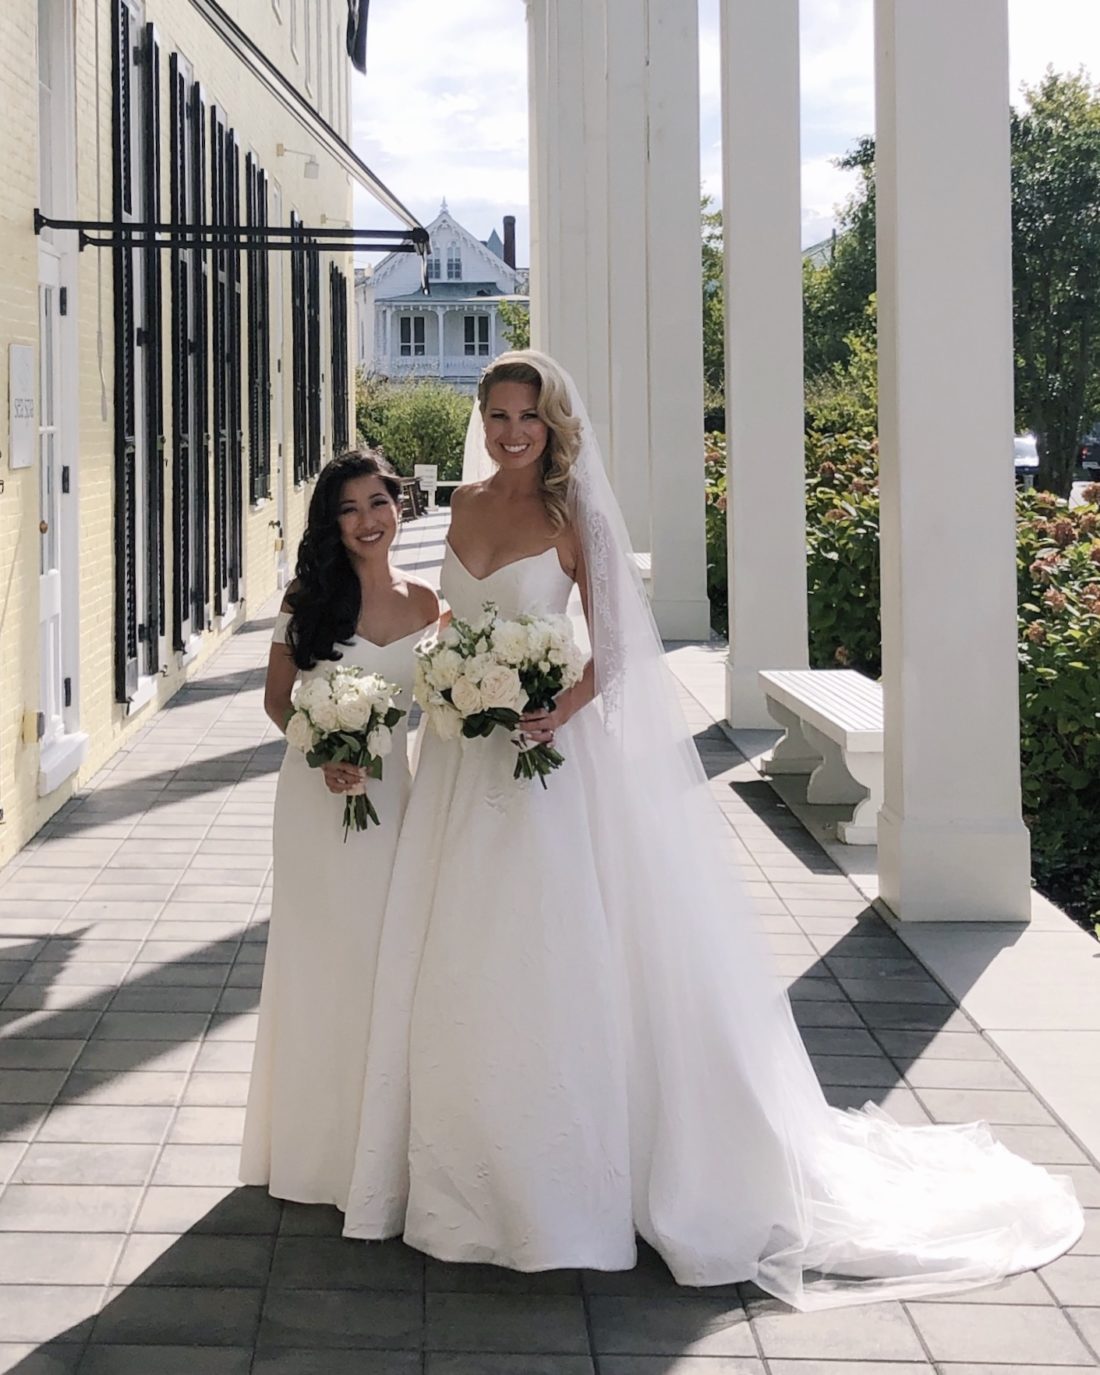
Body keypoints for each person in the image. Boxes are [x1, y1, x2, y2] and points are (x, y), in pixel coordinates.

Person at [342, 353, 1082, 1308]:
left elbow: (612, 655)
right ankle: (460, 1169)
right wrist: (447, 679)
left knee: (551, 953)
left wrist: (548, 712)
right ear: (479, 419)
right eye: (496, 415)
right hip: (459, 767)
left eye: (527, 416)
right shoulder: (469, 504)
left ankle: (561, 1182)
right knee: (457, 952)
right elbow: (452, 620)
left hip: (545, 766)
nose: (510, 431)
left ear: (554, 421)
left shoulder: (576, 519)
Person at [240, 450, 438, 1211]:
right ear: (331, 522)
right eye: (348, 508)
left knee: (388, 956)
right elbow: (276, 700)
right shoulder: (307, 597)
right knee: (320, 959)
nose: (366, 521)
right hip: (315, 799)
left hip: (392, 801)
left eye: (377, 502)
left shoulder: (429, 607)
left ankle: (381, 1144)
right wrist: (322, 749)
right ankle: (312, 1150)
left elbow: (446, 706)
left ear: (399, 504)